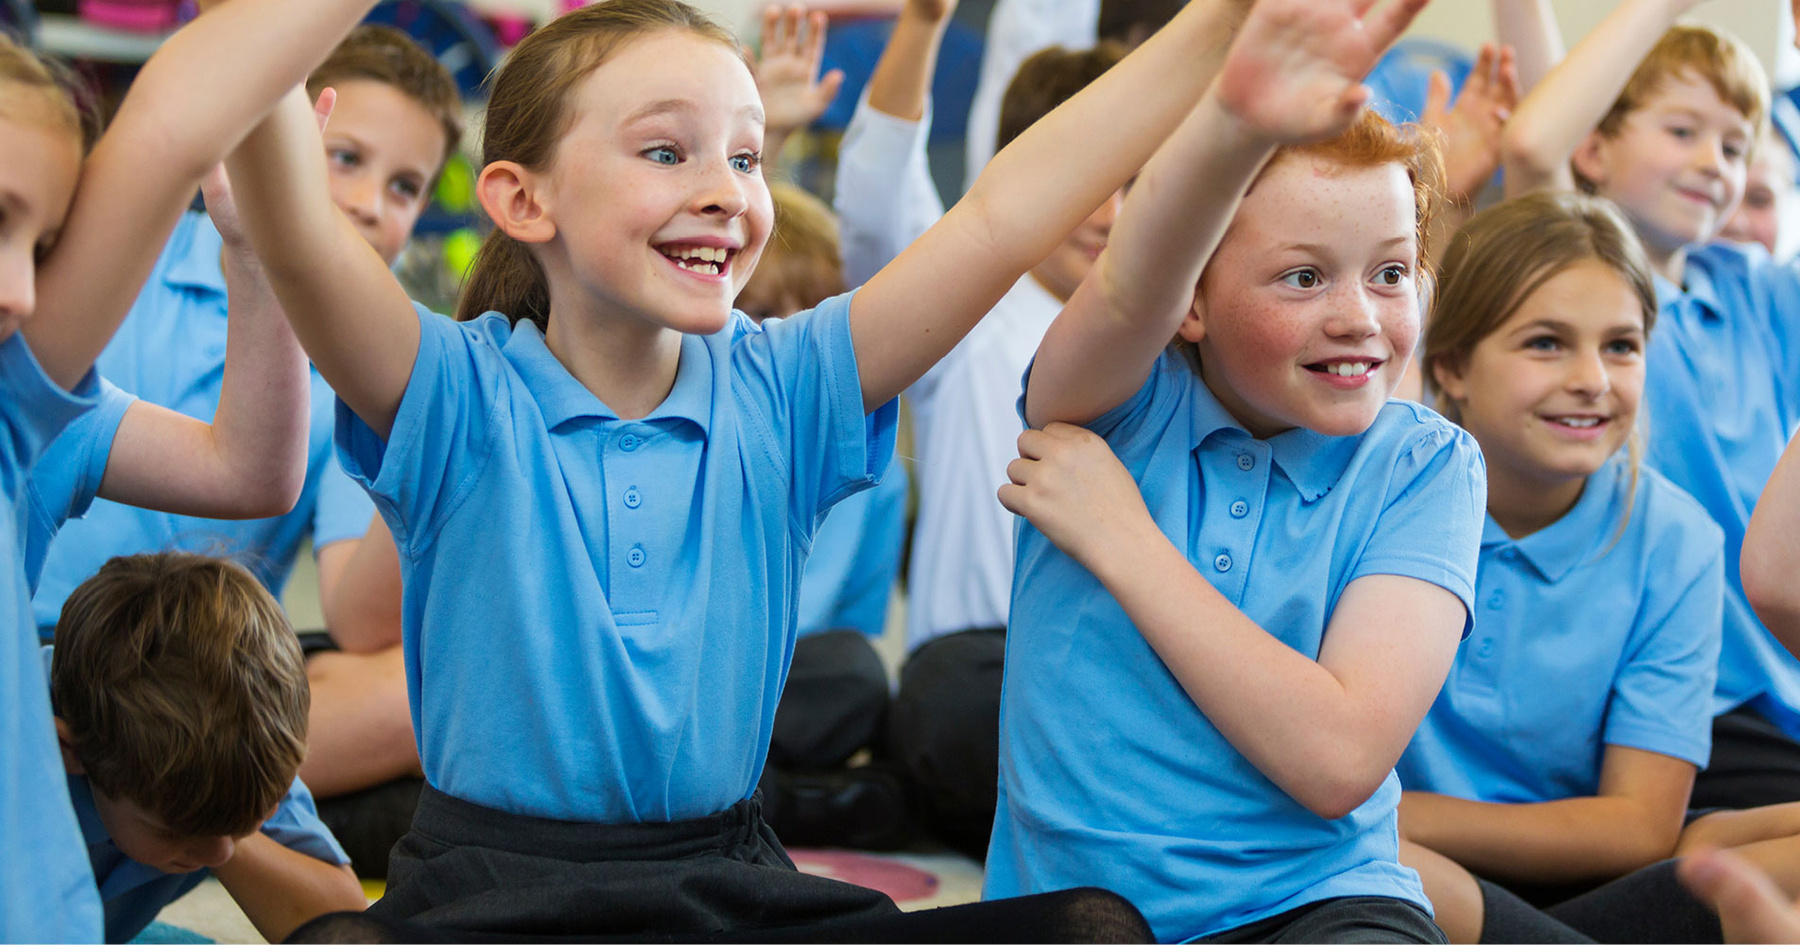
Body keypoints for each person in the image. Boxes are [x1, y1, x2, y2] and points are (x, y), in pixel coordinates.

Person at [231, 0, 1271, 935]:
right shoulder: (453, 392)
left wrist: (1230, 21)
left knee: (1091, 929)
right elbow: (299, 238)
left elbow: (1001, 216)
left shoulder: (786, 389)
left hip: (720, 886)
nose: (726, 193)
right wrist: (266, 91)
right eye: (667, 152)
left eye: (745, 158)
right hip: (488, 893)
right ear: (519, 199)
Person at [990, 0, 1476, 939]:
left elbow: (1339, 760)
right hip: (1084, 913)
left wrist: (1125, 539)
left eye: (1389, 271)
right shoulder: (1113, 404)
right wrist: (1231, 125)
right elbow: (1134, 281)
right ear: (1193, 304)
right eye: (1304, 277)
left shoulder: (1426, 466)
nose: (1359, 318)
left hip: (1319, 902)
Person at [0, 0, 388, 935]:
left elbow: (251, 473)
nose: (22, 289)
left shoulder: (19, 419)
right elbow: (172, 121)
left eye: (45, 246)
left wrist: (254, 252)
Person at [1397, 190, 1726, 944]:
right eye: (1546, 342)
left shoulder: (1678, 541)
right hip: (1372, 874)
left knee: (1761, 847)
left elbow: (1639, 825)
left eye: (1622, 345)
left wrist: (1398, 818)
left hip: (1561, 875)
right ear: (1449, 365)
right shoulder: (1378, 501)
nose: (1593, 378)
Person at [1499, 1, 1800, 814]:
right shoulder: (1595, 309)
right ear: (1594, 148)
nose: (1714, 162)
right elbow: (1534, 141)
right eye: (1682, 132)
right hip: (1696, 710)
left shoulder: (1759, 294)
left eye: (1736, 145)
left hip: (1788, 691)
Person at [48, 553, 366, 943]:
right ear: (68, 751)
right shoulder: (27, 760)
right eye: (175, 831)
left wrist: (224, 821)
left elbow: (345, 928)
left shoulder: (238, 744)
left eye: (251, 819)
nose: (220, 855)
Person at [737, 181, 912, 850]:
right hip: (691, 674)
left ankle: (765, 796)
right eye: (755, 310)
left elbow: (853, 635)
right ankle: (790, 803)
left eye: (808, 311)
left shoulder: (880, 472)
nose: (784, 332)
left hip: (794, 686)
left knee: (854, 675)